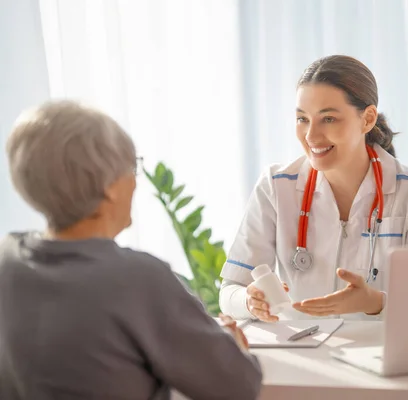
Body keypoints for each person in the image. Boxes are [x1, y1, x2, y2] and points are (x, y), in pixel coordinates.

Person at [0, 101, 262, 400]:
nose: (136, 180)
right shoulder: (138, 279)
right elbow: (238, 386)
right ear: (109, 186)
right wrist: (233, 347)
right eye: (132, 167)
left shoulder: (7, 259)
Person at [219, 55, 408, 322]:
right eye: (302, 119)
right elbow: (229, 292)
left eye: (328, 119)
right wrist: (249, 301)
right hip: (302, 353)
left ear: (367, 119)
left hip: (377, 355)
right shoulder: (276, 186)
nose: (311, 136)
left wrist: (375, 302)